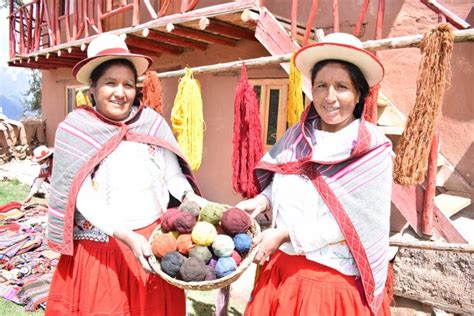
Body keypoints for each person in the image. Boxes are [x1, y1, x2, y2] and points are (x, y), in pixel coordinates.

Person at [45, 33, 208, 315]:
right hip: (104, 249)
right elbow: (82, 197)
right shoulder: (76, 130)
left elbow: (172, 177)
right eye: (110, 83)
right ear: (92, 88)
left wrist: (193, 200)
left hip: (156, 243)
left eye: (128, 85)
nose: (120, 92)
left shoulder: (151, 123)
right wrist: (127, 237)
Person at [237, 33, 393, 316]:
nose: (330, 97)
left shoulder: (371, 150)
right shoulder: (297, 137)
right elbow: (291, 182)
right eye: (322, 85)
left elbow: (356, 222)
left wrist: (285, 235)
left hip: (331, 287)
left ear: (358, 94)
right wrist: (262, 201)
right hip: (280, 274)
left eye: (342, 86)